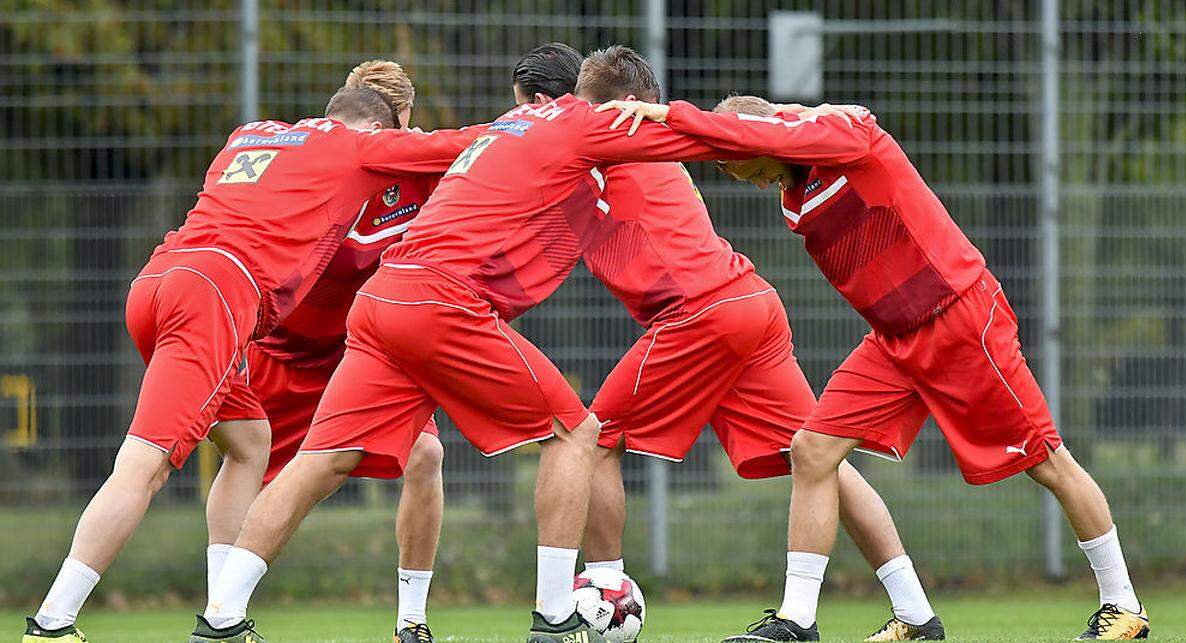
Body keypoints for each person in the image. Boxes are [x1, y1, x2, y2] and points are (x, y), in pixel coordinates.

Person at [196, 50, 764, 643]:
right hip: (441, 302)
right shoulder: (581, 125)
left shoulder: (507, 130)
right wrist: (797, 130)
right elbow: (696, 138)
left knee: (319, 461)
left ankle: (220, 619)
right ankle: (555, 617)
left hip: (381, 300)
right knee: (575, 433)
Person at [598, 95, 1150, 641]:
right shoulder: (794, 187)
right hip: (894, 341)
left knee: (1048, 461)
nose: (743, 178)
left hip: (959, 320)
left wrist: (677, 115)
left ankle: (1124, 607)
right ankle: (814, 620)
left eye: (731, 159)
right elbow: (774, 141)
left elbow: (809, 128)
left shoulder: (844, 136)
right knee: (812, 450)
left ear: (756, 133)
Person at [510, 43, 944, 641]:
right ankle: (917, 612)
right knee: (818, 459)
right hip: (749, 305)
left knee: (593, 439)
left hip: (701, 314)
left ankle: (605, 586)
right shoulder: (620, 150)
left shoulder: (606, 141)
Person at [22, 84, 479, 643]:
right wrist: (548, 119)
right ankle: (52, 624)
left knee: (248, 442)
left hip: (156, 282)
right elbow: (471, 144)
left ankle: (224, 618)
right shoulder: (360, 147)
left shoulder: (249, 135)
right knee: (145, 465)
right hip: (214, 297)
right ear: (384, 128)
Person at [242, 60, 447, 643]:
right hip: (279, 351)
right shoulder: (316, 157)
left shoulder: (423, 171)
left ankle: (411, 621)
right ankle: (222, 611)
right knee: (247, 469)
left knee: (426, 457)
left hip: (363, 350)